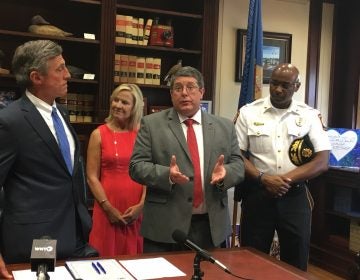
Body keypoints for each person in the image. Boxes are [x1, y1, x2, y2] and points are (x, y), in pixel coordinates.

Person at [0, 40, 98, 278]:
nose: (68, 75)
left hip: (75, 234)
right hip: (35, 241)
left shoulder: (61, 112)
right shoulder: (9, 121)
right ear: (36, 77)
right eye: (60, 69)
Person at [129, 66, 244, 252]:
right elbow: (136, 166)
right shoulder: (151, 124)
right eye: (178, 88)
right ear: (171, 94)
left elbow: (238, 165)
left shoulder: (225, 127)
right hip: (165, 228)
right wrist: (166, 174)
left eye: (190, 87)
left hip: (210, 226)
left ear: (201, 92)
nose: (184, 93)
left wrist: (226, 174)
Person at [235, 63, 331, 271]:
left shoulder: (309, 115)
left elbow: (322, 160)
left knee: (295, 260)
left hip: (294, 197)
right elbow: (237, 155)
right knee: (250, 258)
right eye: (274, 83)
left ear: (296, 87)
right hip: (258, 193)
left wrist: (285, 180)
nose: (278, 89)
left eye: (285, 85)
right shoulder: (249, 113)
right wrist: (263, 178)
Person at [87, 84, 146, 256]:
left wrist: (142, 205)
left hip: (136, 211)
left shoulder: (143, 134)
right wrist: (108, 208)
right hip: (107, 209)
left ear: (135, 107)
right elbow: (91, 177)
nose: (118, 105)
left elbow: (148, 173)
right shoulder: (98, 134)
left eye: (125, 102)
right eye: (115, 100)